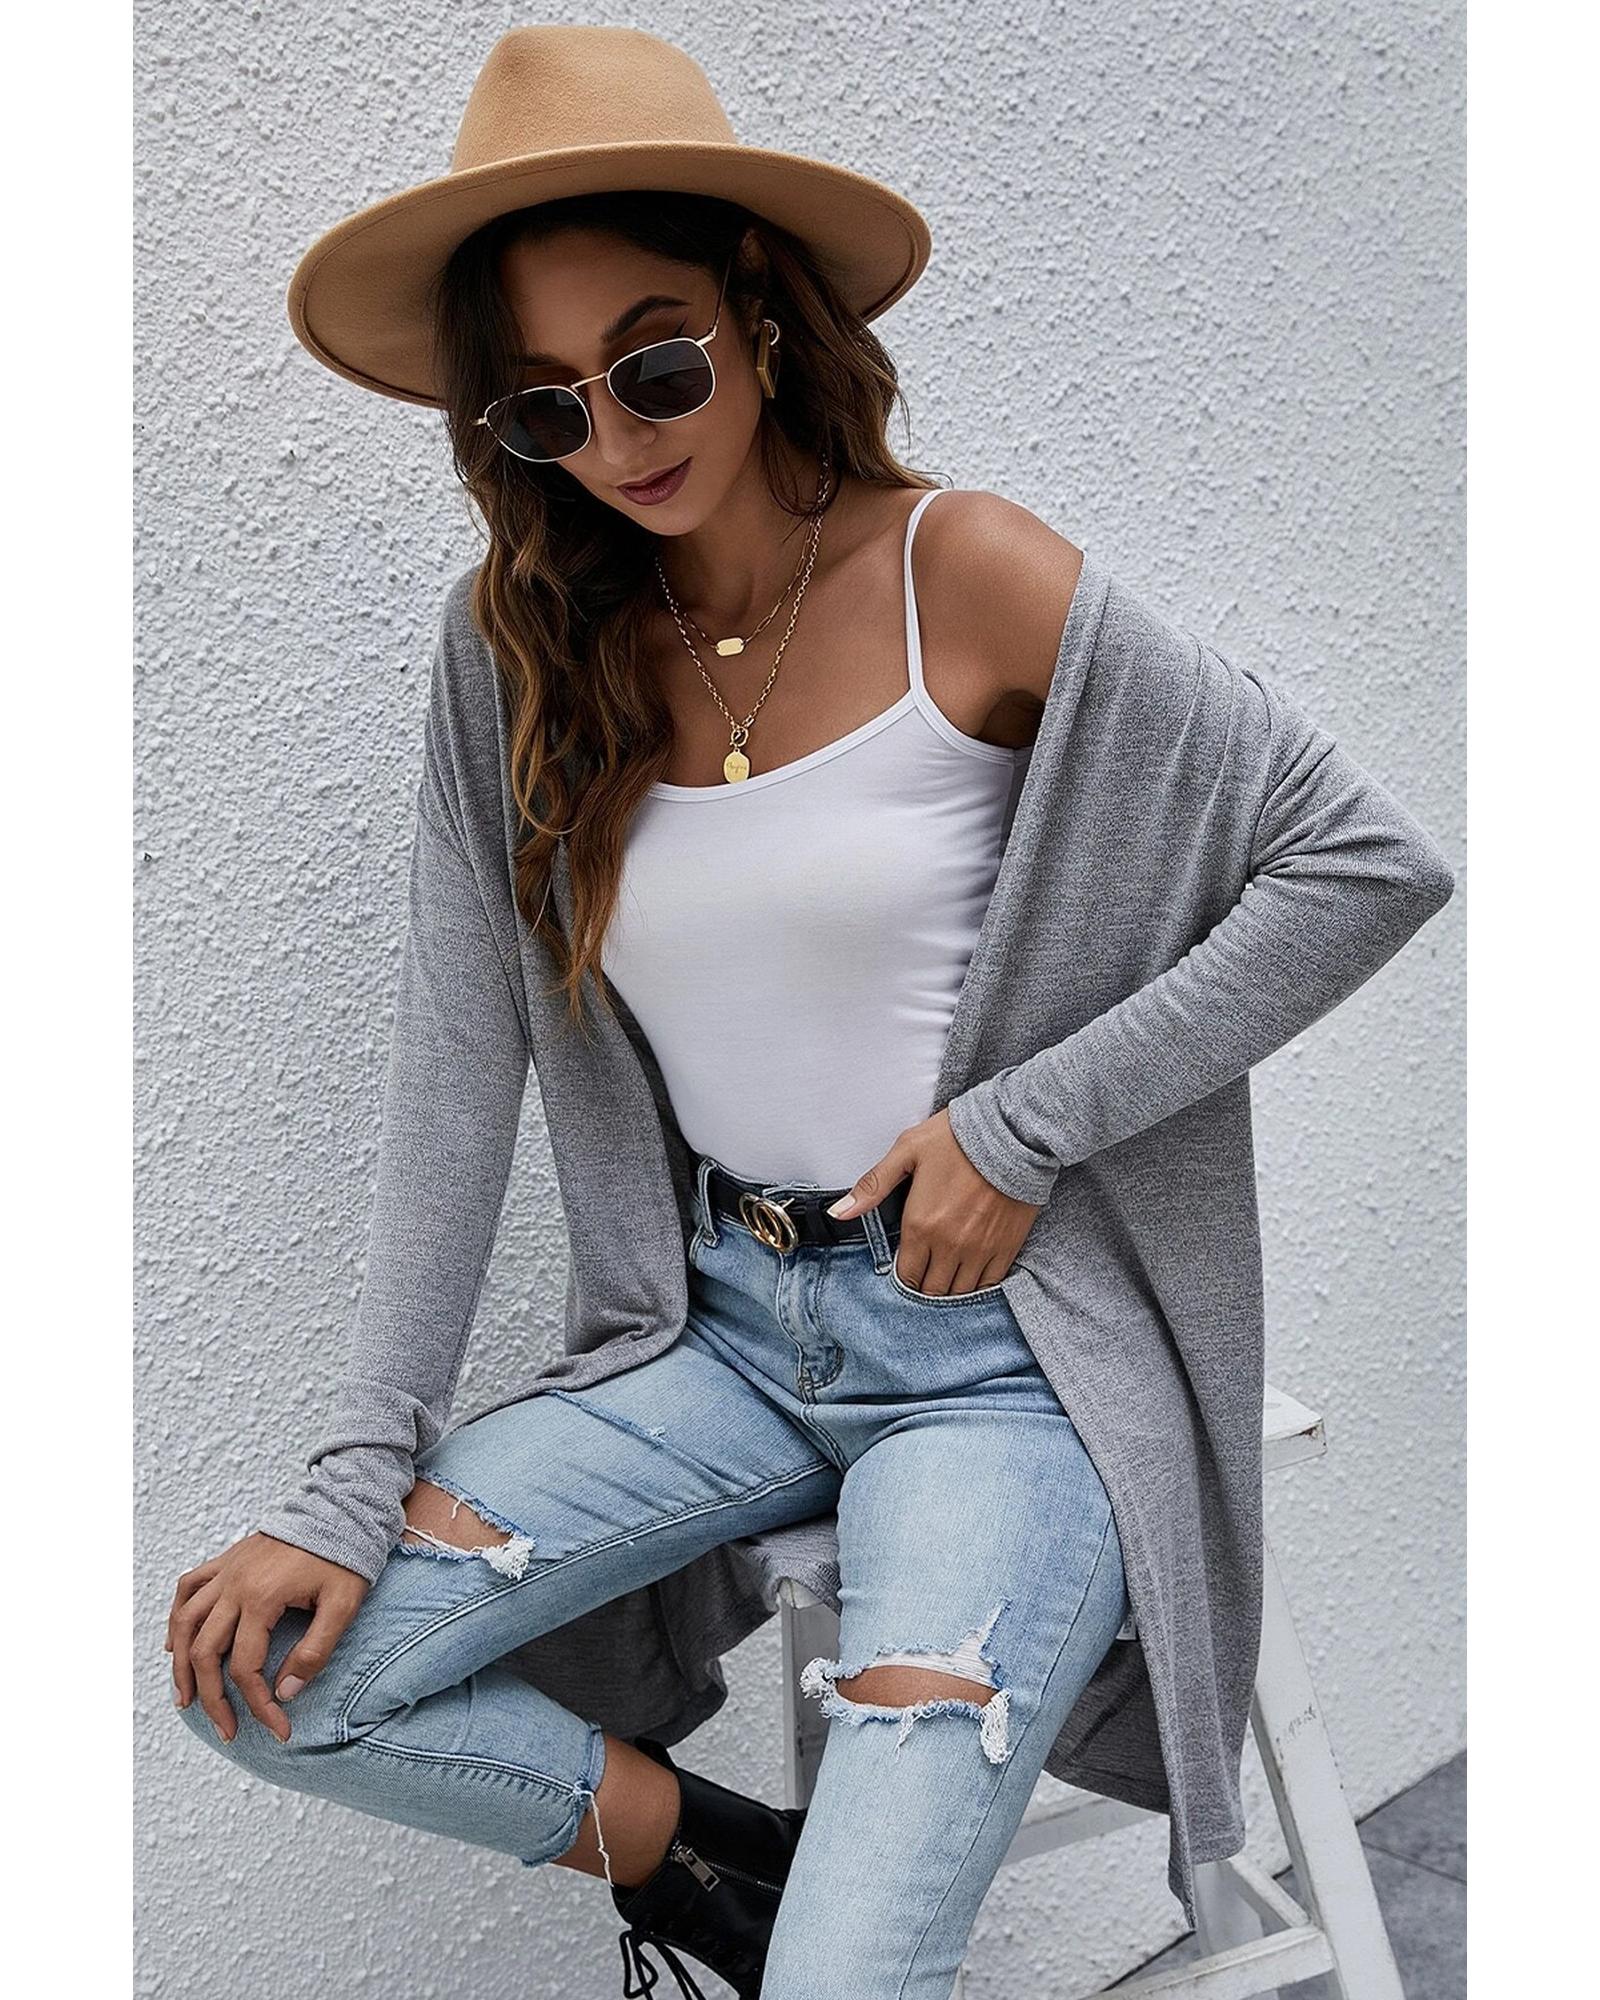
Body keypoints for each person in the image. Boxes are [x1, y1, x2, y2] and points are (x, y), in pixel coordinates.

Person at [165, 27, 1455, 2000]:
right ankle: (716, 1861)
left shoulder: (967, 574)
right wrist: (352, 1481)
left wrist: (1019, 1128)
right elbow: (455, 1066)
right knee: (268, 1677)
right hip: (713, 1334)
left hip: (998, 1366)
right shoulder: (517, 654)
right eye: (546, 408)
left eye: (656, 364)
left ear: (758, 314)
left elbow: (1359, 864)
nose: (618, 440)